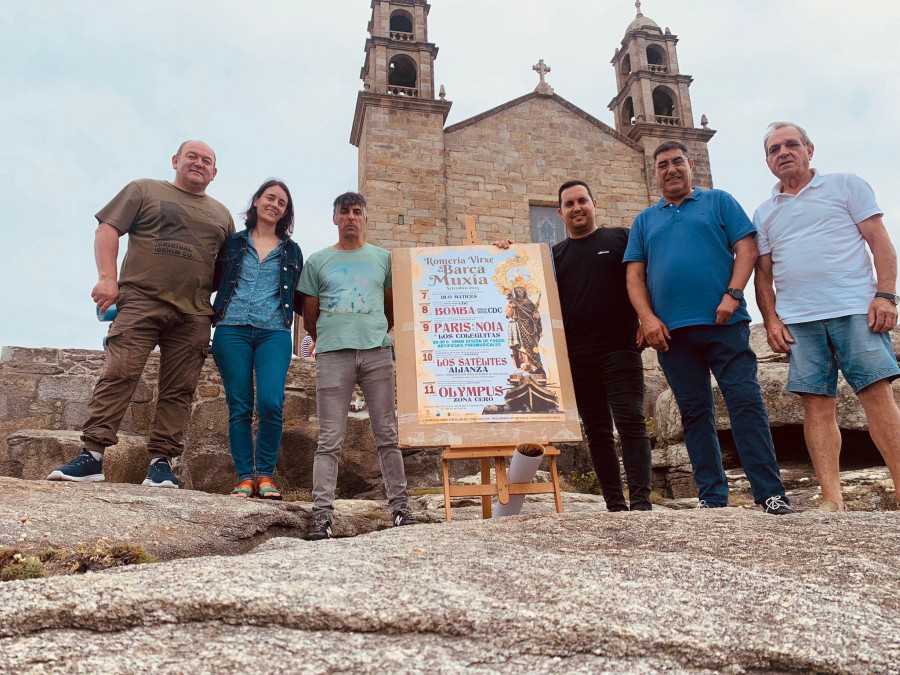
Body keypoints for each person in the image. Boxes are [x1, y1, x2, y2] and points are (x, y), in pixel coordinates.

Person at [48, 141, 235, 487]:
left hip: (194, 313)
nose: (199, 163)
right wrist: (107, 278)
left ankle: (161, 464)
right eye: (192, 156)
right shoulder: (144, 189)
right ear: (175, 160)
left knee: (179, 389)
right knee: (119, 372)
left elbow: (227, 265)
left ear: (214, 172)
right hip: (140, 301)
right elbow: (107, 229)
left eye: (207, 160)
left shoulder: (222, 214)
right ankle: (92, 456)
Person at [624, 141, 792, 514]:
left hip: (725, 324)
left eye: (677, 162)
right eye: (663, 164)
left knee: (745, 405)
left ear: (691, 164)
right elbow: (634, 276)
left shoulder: (719, 201)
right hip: (672, 335)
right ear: (655, 173)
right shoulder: (644, 220)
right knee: (694, 413)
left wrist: (733, 294)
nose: (671, 169)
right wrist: (647, 318)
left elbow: (746, 249)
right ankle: (711, 498)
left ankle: (770, 494)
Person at [753, 122, 900, 511]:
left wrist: (886, 296)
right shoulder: (764, 212)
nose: (783, 152)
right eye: (773, 149)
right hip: (799, 321)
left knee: (877, 397)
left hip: (855, 309)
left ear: (809, 149)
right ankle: (832, 499)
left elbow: (881, 244)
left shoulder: (847, 185)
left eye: (790, 145)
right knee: (817, 405)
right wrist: (771, 320)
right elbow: (763, 274)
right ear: (767, 161)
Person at [493, 179, 653, 512]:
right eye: (569, 204)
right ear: (560, 212)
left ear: (594, 204)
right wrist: (504, 250)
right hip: (576, 356)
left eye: (582, 201)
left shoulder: (621, 238)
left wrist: (649, 318)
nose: (577, 208)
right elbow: (520, 281)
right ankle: (614, 505)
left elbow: (647, 277)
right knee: (596, 430)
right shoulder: (552, 256)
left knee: (631, 423)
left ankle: (640, 503)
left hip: (621, 348)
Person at [298, 191, 418, 539]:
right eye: (344, 212)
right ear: (334, 218)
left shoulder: (383, 258)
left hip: (378, 351)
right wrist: (334, 335)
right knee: (329, 438)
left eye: (357, 211)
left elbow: (391, 305)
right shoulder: (318, 261)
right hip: (333, 353)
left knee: (387, 434)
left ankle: (400, 508)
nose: (350, 217)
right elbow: (309, 316)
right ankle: (322, 516)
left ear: (365, 217)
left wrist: (375, 330)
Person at [210, 180, 303, 499]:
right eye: (270, 198)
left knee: (271, 403)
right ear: (256, 201)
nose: (275, 204)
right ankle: (245, 478)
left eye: (282, 202)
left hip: (274, 332)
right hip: (231, 328)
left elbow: (301, 296)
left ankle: (265, 476)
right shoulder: (233, 243)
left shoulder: (292, 250)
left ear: (285, 212)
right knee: (239, 406)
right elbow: (210, 280)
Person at [506, 285, 545, 374]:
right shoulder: (514, 301)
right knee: (521, 345)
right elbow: (508, 314)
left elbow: (535, 312)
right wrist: (511, 303)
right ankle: (525, 365)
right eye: (516, 292)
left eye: (520, 291)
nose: (518, 293)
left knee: (532, 346)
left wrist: (537, 315)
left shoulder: (529, 303)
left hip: (530, 326)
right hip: (519, 325)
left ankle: (535, 365)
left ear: (524, 292)